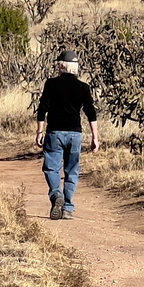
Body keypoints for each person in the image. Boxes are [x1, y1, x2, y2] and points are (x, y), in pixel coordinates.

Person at [33, 49, 99, 220]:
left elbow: (42, 109)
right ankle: (68, 208)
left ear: (61, 66)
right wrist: (95, 137)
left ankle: (56, 195)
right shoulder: (83, 87)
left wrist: (39, 131)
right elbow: (91, 113)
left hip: (54, 132)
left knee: (51, 168)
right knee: (72, 170)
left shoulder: (51, 84)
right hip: (75, 135)